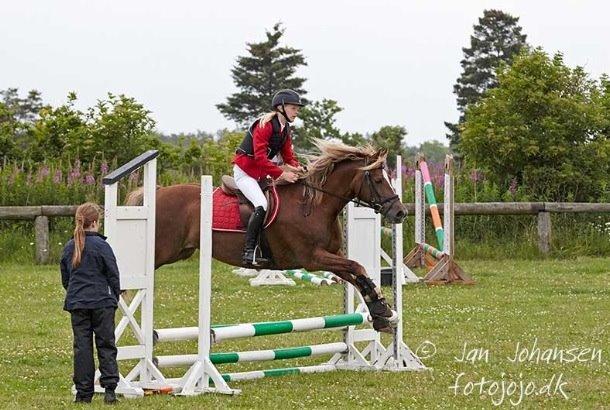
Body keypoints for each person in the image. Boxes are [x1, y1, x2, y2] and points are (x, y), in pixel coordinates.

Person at [233, 89, 305, 266]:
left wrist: (300, 169)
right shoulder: (264, 125)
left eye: (297, 108)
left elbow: (288, 157)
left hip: (261, 174)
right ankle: (249, 251)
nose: (297, 112)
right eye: (294, 108)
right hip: (245, 173)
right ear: (281, 107)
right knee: (262, 204)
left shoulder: (284, 128)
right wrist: (282, 174)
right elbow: (260, 158)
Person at [60, 202, 121, 404]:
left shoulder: (70, 246)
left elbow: (66, 278)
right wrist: (115, 296)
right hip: (102, 302)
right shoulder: (103, 246)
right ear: (95, 222)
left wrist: (76, 294)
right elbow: (113, 274)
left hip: (78, 303)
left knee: (82, 348)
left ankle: (83, 393)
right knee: (106, 344)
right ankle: (110, 389)